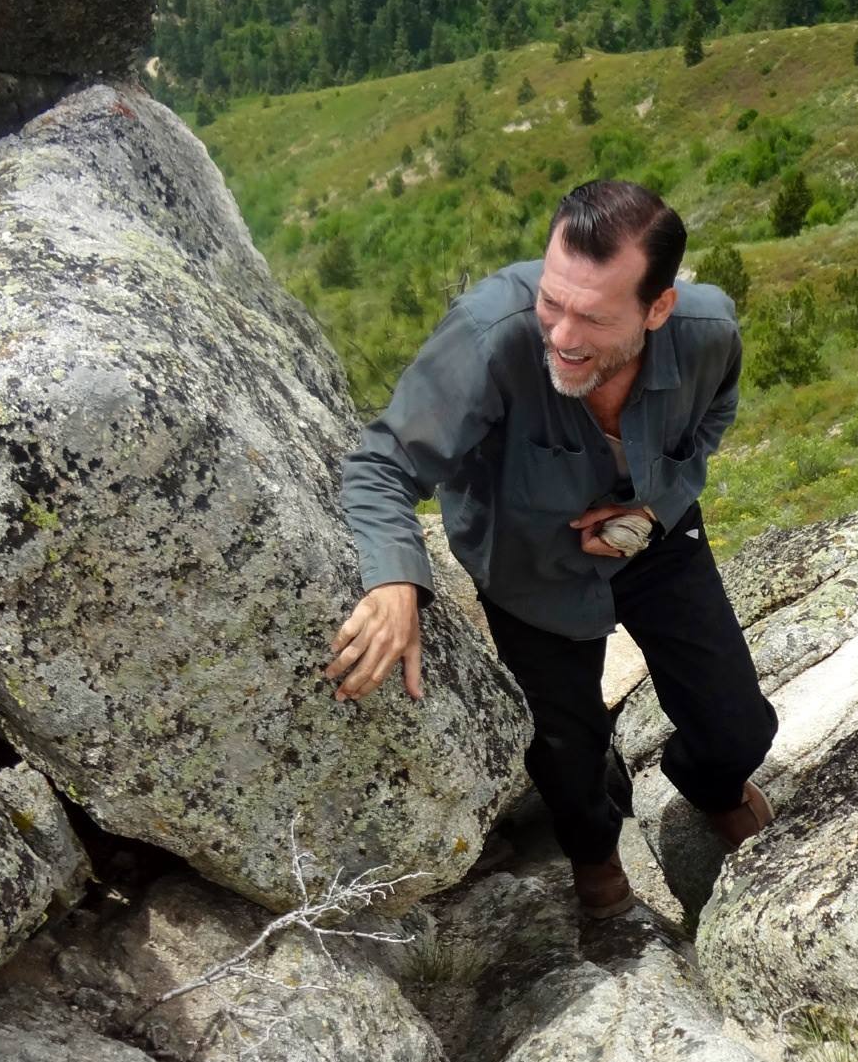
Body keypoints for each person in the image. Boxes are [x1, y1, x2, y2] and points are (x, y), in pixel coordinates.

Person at [325, 178, 778, 917]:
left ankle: (713, 787)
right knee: (566, 752)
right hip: (528, 563)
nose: (562, 337)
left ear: (657, 307)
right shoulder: (490, 337)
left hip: (654, 543)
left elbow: (711, 419)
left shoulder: (708, 333)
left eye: (593, 316)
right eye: (552, 301)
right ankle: (597, 863)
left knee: (739, 725)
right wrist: (395, 582)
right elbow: (383, 462)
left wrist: (654, 509)